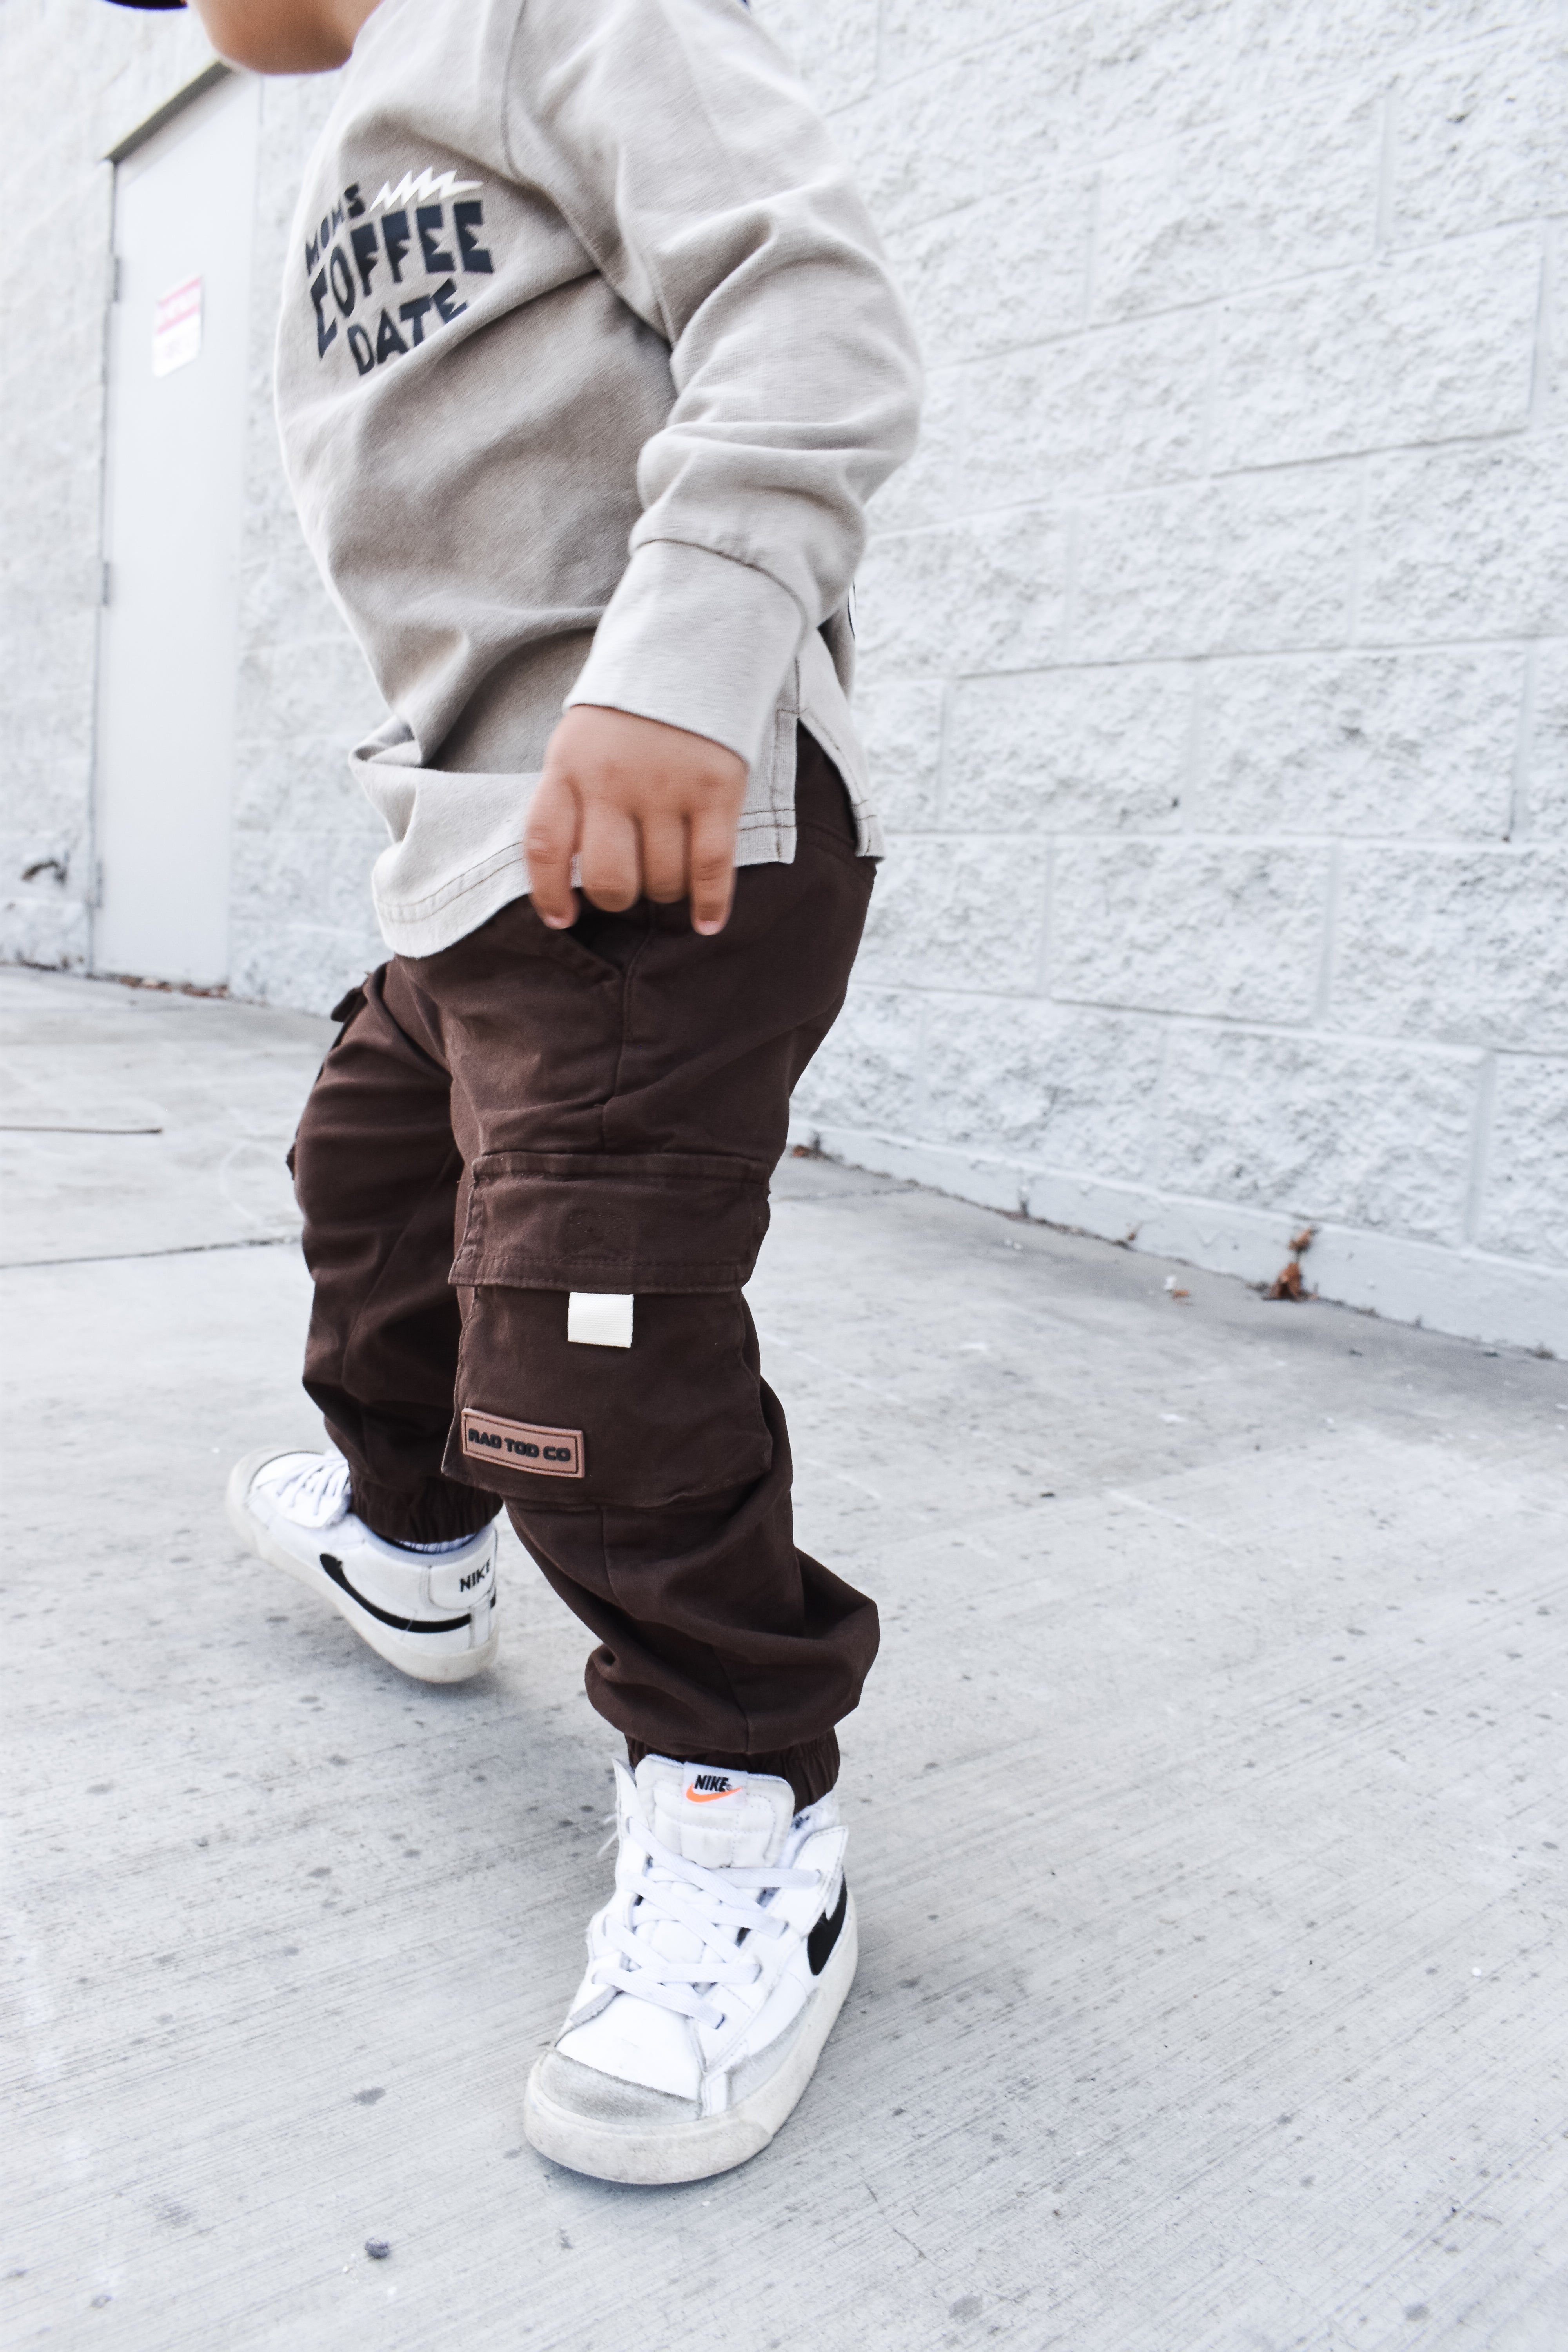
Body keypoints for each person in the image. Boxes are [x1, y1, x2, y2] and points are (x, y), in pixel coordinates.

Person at [108, 0, 920, 2182]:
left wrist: (692, 660)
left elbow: (811, 309)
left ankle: (748, 1793)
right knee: (374, 1203)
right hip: (472, 852)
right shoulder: (350, 134)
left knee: (590, 1340)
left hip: (669, 821)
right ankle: (410, 1540)